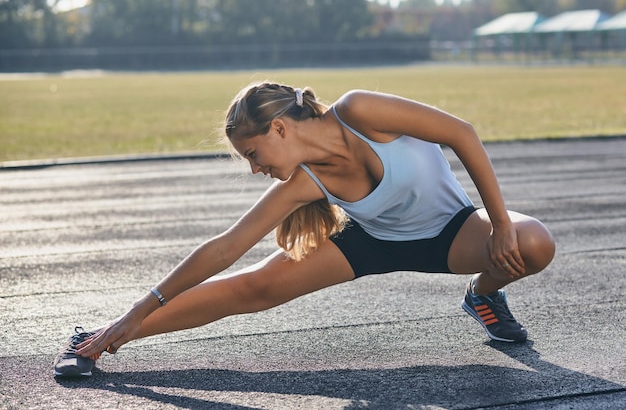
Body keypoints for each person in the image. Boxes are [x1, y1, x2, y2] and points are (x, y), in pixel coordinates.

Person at [54, 81, 555, 377]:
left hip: (452, 231)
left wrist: (502, 224)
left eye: (252, 155)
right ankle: (103, 339)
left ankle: (482, 296)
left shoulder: (360, 112)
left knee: (533, 244)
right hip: (371, 242)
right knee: (255, 287)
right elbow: (226, 249)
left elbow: (461, 134)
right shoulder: (304, 183)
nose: (254, 169)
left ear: (279, 128)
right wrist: (132, 316)